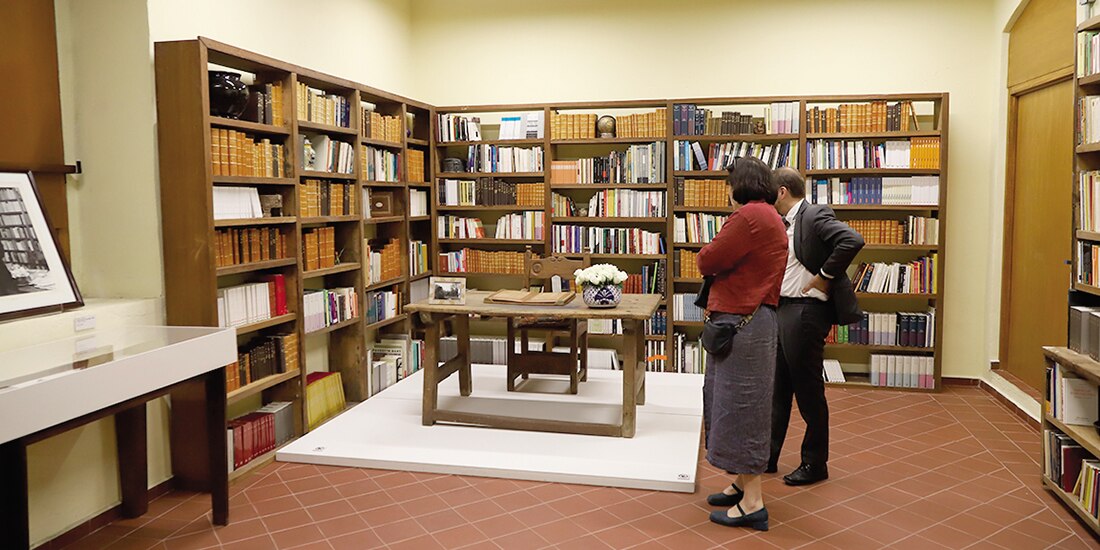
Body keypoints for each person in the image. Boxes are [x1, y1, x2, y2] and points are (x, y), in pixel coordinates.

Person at [697, 156, 788, 530]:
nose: (726, 192)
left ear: (742, 184)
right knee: (734, 404)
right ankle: (740, 484)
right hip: (750, 323)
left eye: (729, 184)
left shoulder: (749, 216)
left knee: (740, 408)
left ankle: (753, 502)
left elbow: (708, 260)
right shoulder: (767, 215)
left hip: (742, 325)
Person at [768, 167, 865, 486]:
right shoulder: (787, 223)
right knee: (778, 388)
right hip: (785, 310)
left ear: (782, 192)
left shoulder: (813, 214)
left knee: (808, 391)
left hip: (806, 313)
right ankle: (768, 456)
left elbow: (852, 240)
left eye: (771, 193)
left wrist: (825, 275)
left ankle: (814, 463)